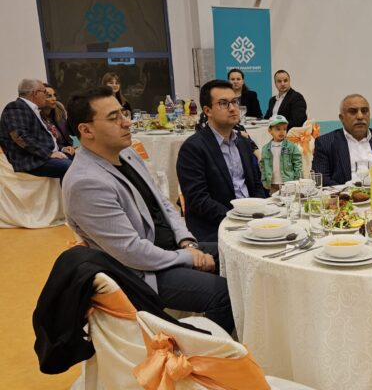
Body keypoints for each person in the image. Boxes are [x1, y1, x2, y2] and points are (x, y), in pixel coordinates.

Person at [61, 86, 233, 332]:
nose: (126, 122)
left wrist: (186, 242)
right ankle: (198, 350)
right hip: (141, 272)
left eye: (124, 113)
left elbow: (163, 203)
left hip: (169, 248)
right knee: (224, 295)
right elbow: (131, 251)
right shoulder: (86, 183)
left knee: (234, 256)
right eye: (113, 118)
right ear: (86, 130)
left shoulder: (127, 154)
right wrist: (187, 257)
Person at [177, 80, 265, 242]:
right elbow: (198, 200)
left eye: (234, 102)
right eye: (223, 103)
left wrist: (258, 212)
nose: (232, 108)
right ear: (207, 111)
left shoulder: (244, 143)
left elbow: (257, 185)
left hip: (251, 221)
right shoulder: (193, 148)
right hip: (216, 227)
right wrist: (237, 218)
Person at [313, 94, 372, 186]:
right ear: (341, 118)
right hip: (345, 194)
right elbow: (321, 180)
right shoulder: (325, 143)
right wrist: (349, 191)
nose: (360, 116)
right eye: (353, 112)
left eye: (364, 111)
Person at [0, 79, 72, 179]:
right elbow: (19, 136)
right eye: (45, 92)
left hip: (42, 156)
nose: (46, 97)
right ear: (35, 93)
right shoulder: (15, 107)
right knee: (71, 167)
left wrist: (62, 148)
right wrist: (49, 153)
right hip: (30, 160)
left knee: (81, 159)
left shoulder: (34, 109)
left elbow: (43, 138)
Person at [260, 115, 302, 193]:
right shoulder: (265, 148)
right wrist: (264, 179)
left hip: (289, 183)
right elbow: (262, 165)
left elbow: (298, 163)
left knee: (289, 199)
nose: (282, 132)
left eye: (284, 129)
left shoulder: (291, 146)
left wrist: (297, 179)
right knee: (274, 199)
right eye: (278, 129)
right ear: (270, 130)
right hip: (272, 184)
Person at [41, 83, 75, 156]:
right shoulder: (37, 117)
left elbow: (71, 131)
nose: (54, 99)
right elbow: (44, 144)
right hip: (54, 152)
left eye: (54, 95)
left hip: (70, 147)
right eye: (49, 96)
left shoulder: (59, 108)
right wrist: (62, 148)